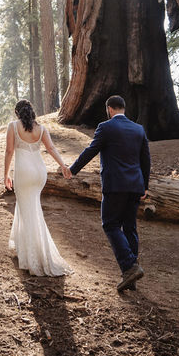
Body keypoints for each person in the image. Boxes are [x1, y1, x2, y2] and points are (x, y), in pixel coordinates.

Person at [68, 95, 149, 292]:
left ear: (109, 109)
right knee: (130, 228)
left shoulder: (106, 127)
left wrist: (72, 170)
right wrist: (145, 186)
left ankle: (130, 266)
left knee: (110, 224)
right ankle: (131, 277)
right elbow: (145, 159)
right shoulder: (139, 129)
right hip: (135, 186)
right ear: (123, 108)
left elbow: (91, 150)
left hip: (115, 185)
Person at [3, 99, 74, 276]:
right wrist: (63, 165)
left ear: (17, 113)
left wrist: (5, 175)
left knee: (29, 212)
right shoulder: (41, 128)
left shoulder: (13, 126)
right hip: (39, 173)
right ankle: (23, 247)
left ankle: (33, 258)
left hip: (24, 172)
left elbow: (9, 151)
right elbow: (51, 148)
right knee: (30, 209)